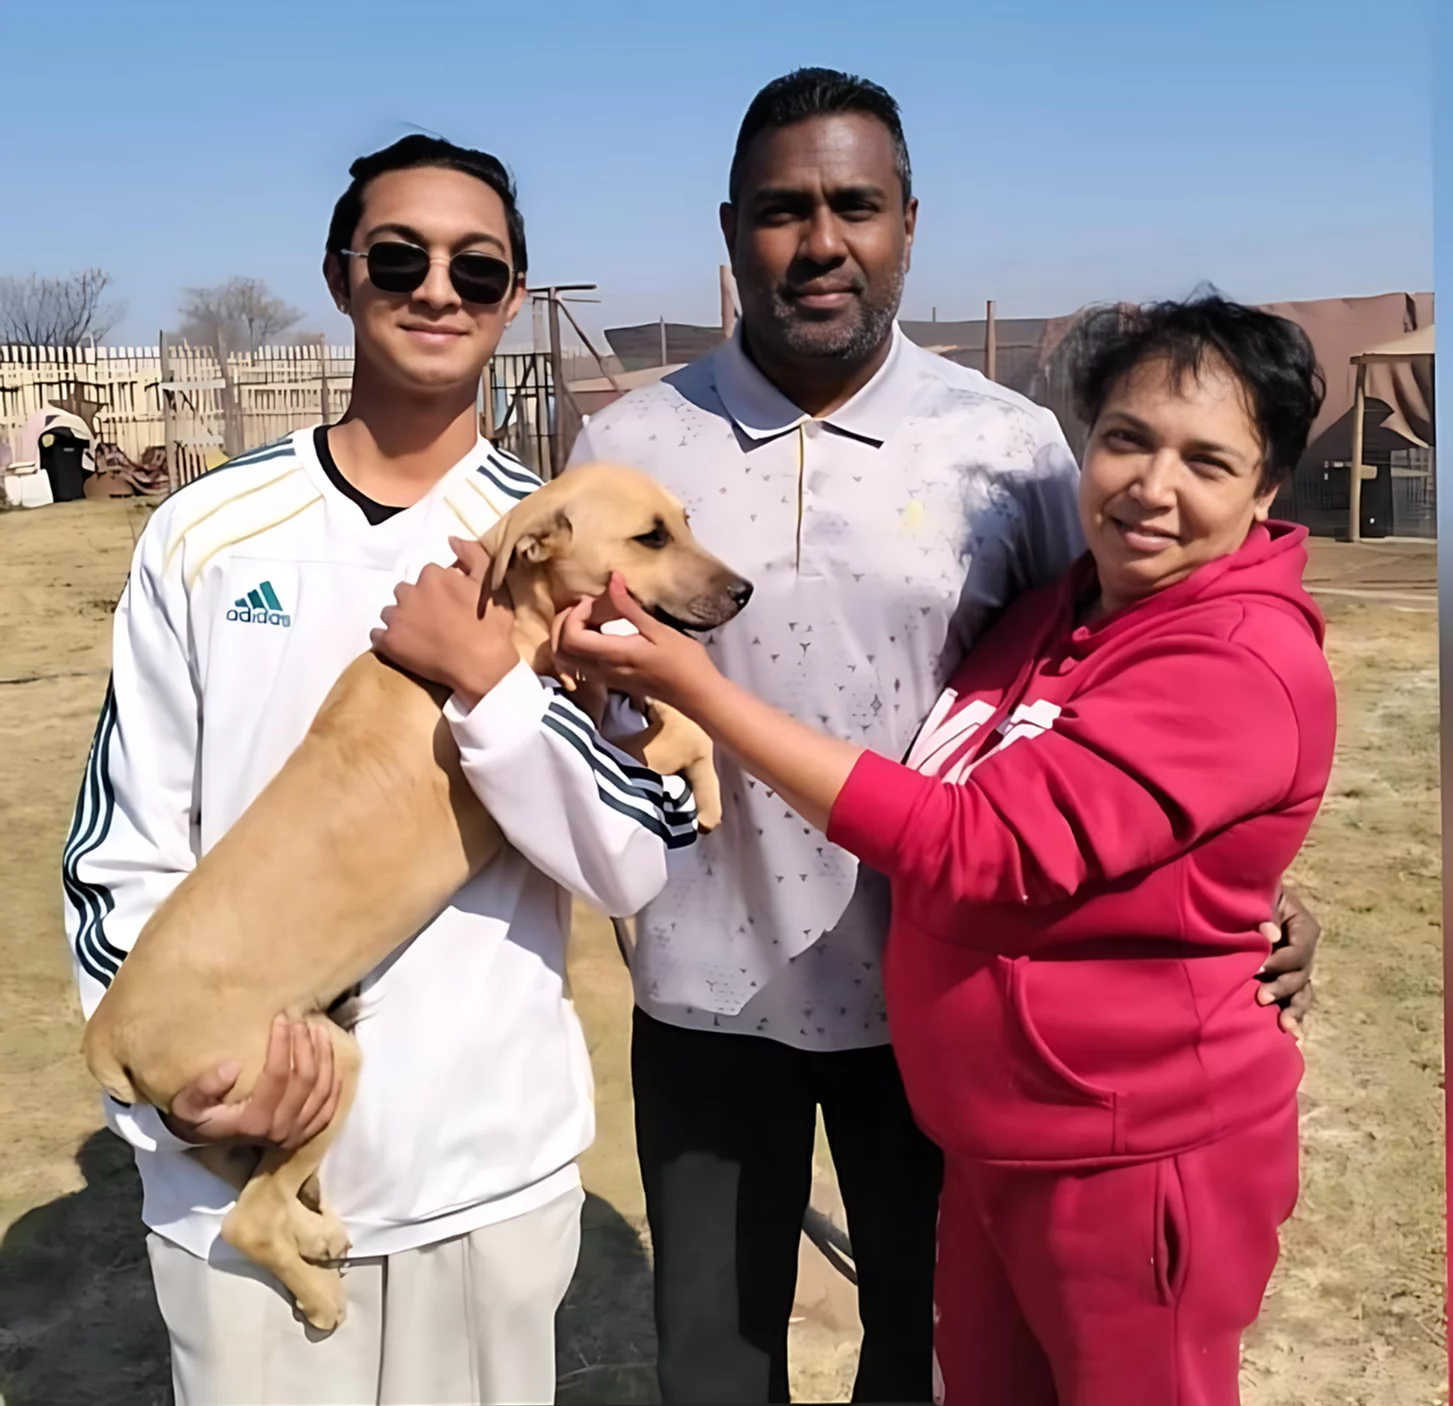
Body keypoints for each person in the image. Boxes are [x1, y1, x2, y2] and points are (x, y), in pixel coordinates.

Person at [565, 68, 1322, 1403]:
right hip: (703, 990)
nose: (821, 241)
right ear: (731, 229)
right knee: (712, 1367)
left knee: (926, 1363)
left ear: (908, 220)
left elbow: (1093, 697)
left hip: (934, 1010)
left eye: (854, 204)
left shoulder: (1014, 450)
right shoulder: (625, 444)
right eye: (783, 210)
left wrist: (1251, 884)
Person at [62, 134, 695, 1406]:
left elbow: (627, 856)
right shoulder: (203, 531)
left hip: (483, 1175)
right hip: (231, 1183)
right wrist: (187, 1097)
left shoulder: (564, 535)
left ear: (514, 299)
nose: (436, 289)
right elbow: (122, 849)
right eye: (398, 256)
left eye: (478, 267)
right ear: (342, 274)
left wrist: (490, 682)